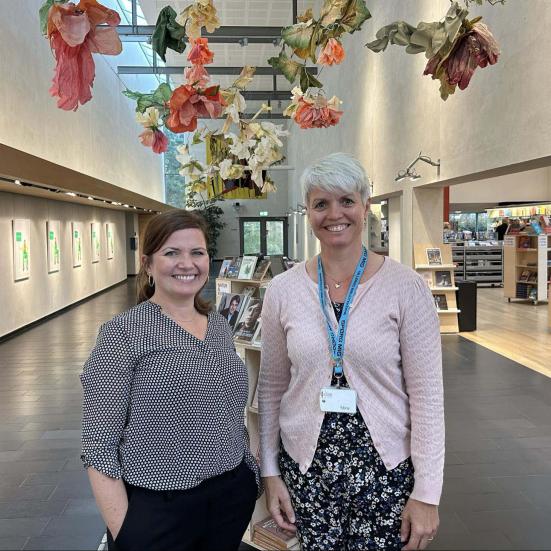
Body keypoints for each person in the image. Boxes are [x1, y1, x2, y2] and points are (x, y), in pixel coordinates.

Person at [258, 153, 444, 551]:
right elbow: (271, 388)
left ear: (365, 206)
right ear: (308, 211)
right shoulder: (282, 291)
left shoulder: (406, 288)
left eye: (346, 200)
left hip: (386, 473)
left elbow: (427, 397)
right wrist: (270, 471)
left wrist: (427, 492)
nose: (334, 214)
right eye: (320, 203)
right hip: (306, 472)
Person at [81, 210, 260, 551]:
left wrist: (247, 472)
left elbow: (226, 408)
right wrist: (129, 534)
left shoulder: (219, 326)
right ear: (148, 264)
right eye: (171, 253)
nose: (186, 263)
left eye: (197, 252)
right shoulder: (122, 333)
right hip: (158, 510)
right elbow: (98, 445)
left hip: (229, 500)